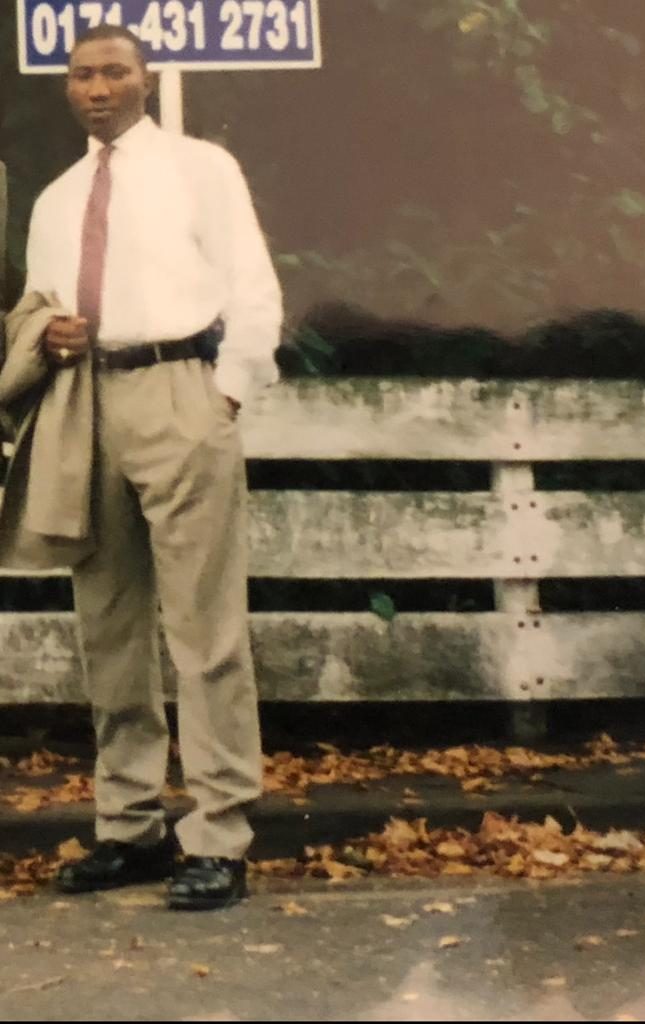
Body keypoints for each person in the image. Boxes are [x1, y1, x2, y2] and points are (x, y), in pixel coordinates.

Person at [22, 24, 282, 910]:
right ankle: (128, 825)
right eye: (81, 76)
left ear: (144, 78)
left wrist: (225, 397)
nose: (97, 89)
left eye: (114, 73)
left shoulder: (202, 169)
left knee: (205, 628)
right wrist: (49, 335)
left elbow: (252, 287)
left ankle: (218, 834)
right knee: (109, 624)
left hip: (179, 393)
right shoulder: (57, 198)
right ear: (68, 88)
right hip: (83, 405)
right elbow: (38, 308)